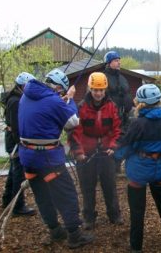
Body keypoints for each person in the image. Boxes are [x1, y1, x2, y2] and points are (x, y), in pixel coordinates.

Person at [18, 69, 94, 248]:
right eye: (61, 91)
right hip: (47, 158)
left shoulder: (26, 96)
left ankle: (54, 229)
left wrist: (61, 101)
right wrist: (70, 101)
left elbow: (43, 113)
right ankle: (74, 234)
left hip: (27, 157)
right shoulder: (53, 100)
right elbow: (73, 122)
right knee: (66, 194)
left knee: (42, 195)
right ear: (59, 87)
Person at [114, 84, 161, 253]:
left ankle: (136, 246)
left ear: (141, 103)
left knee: (137, 210)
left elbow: (126, 148)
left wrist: (116, 154)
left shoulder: (138, 124)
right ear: (159, 101)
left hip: (139, 171)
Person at [69, 72, 122, 231]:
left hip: (106, 151)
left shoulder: (112, 106)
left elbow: (118, 129)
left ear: (105, 90)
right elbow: (74, 132)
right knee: (87, 186)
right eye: (95, 90)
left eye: (101, 90)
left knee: (109, 184)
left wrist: (113, 146)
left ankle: (114, 214)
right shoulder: (81, 107)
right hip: (87, 151)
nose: (98, 93)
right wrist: (78, 152)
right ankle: (89, 218)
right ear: (90, 89)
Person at [1, 72, 36, 217]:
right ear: (22, 85)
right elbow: (15, 126)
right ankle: (17, 205)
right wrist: (21, 143)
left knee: (13, 172)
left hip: (12, 139)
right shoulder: (15, 101)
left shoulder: (15, 98)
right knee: (18, 174)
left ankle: (7, 200)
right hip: (15, 141)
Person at [103, 50, 133, 173]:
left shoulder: (122, 78)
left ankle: (117, 167)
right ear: (109, 63)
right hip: (111, 117)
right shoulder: (103, 77)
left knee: (122, 139)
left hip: (124, 115)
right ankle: (109, 169)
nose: (119, 62)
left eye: (119, 60)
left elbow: (127, 93)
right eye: (116, 60)